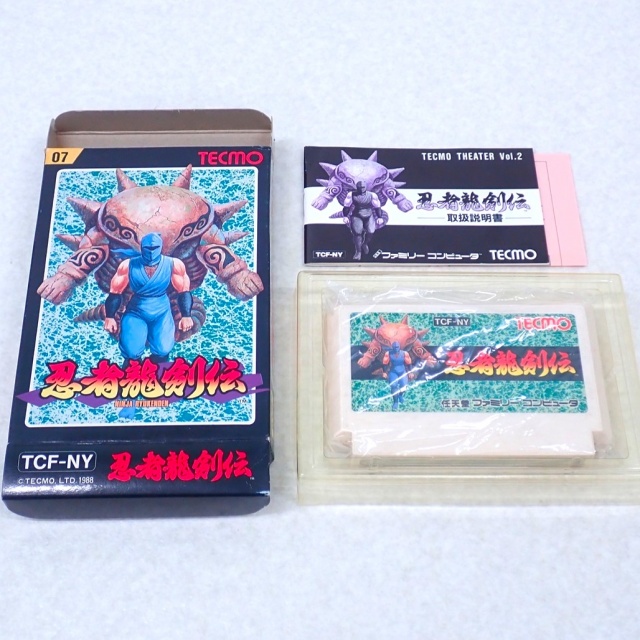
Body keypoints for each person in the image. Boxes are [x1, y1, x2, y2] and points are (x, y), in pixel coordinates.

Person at [103, 232, 193, 364]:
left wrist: (186, 315)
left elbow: (183, 290)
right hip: (136, 311)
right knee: (131, 352)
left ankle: (153, 371)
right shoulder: (128, 265)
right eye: (148, 248)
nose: (151, 252)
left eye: (154, 248)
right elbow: (115, 292)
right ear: (141, 248)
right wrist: (110, 316)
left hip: (161, 311)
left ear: (160, 247)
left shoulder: (174, 264)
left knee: (163, 350)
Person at [342, 181, 382, 260]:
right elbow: (346, 206)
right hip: (357, 215)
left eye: (363, 187)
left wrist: (379, 217)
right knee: (357, 233)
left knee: (371, 231)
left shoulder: (372, 195)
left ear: (366, 187)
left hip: (369, 214)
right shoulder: (351, 195)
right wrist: (345, 216)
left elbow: (377, 206)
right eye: (360, 188)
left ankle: (365, 243)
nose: (361, 189)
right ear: (357, 188)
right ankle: (358, 252)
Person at [382, 341, 412, 410]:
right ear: (392, 347)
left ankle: (400, 395)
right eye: (395, 347)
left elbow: (409, 363)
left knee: (404, 386)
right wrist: (384, 372)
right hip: (393, 372)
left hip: (402, 371)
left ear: (399, 347)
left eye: (397, 347)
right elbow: (385, 363)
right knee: (393, 386)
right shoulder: (388, 353)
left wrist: (410, 372)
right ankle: (395, 401)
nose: (396, 348)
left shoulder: (404, 353)